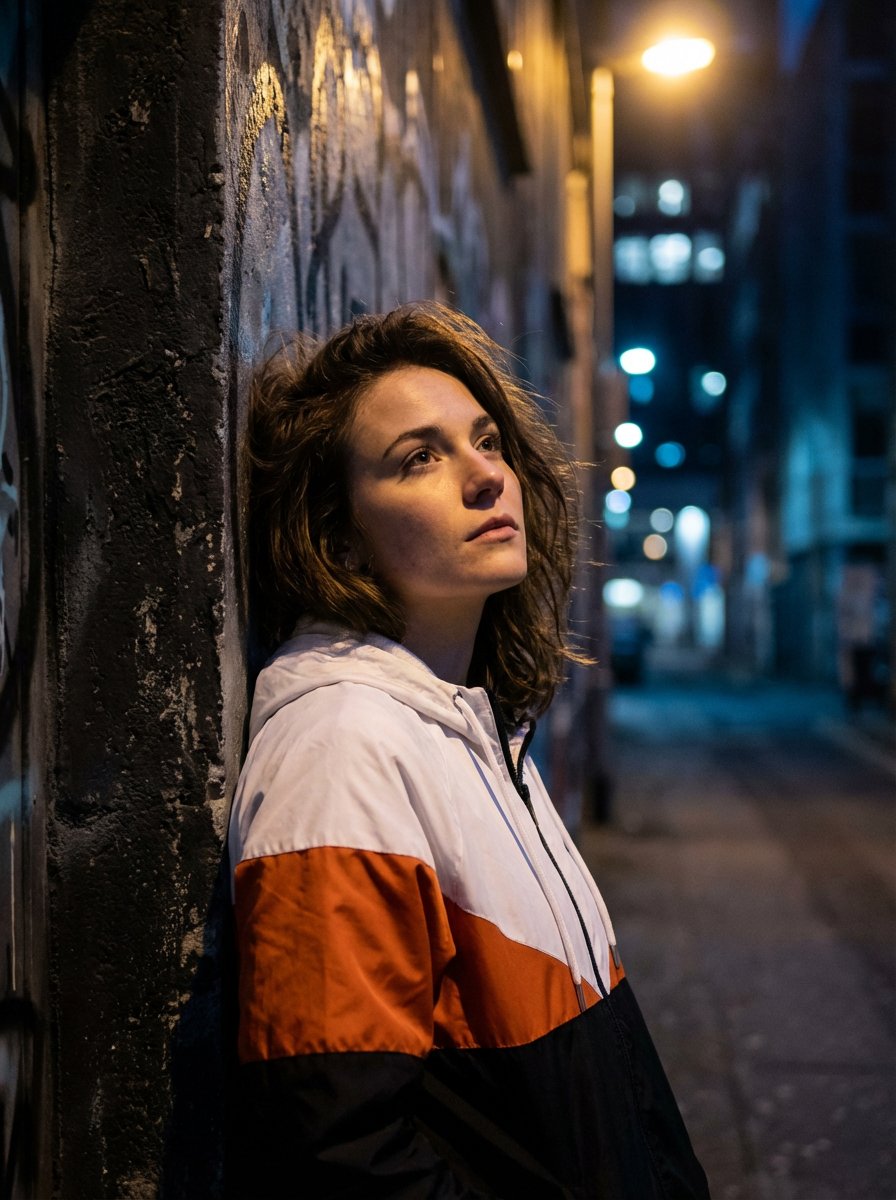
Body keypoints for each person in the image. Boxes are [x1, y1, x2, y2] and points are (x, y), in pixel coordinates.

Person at [228, 302, 710, 1199]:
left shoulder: (472, 732)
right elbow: (341, 1157)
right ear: (337, 535)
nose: (486, 476)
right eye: (420, 458)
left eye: (486, 440)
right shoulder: (345, 748)